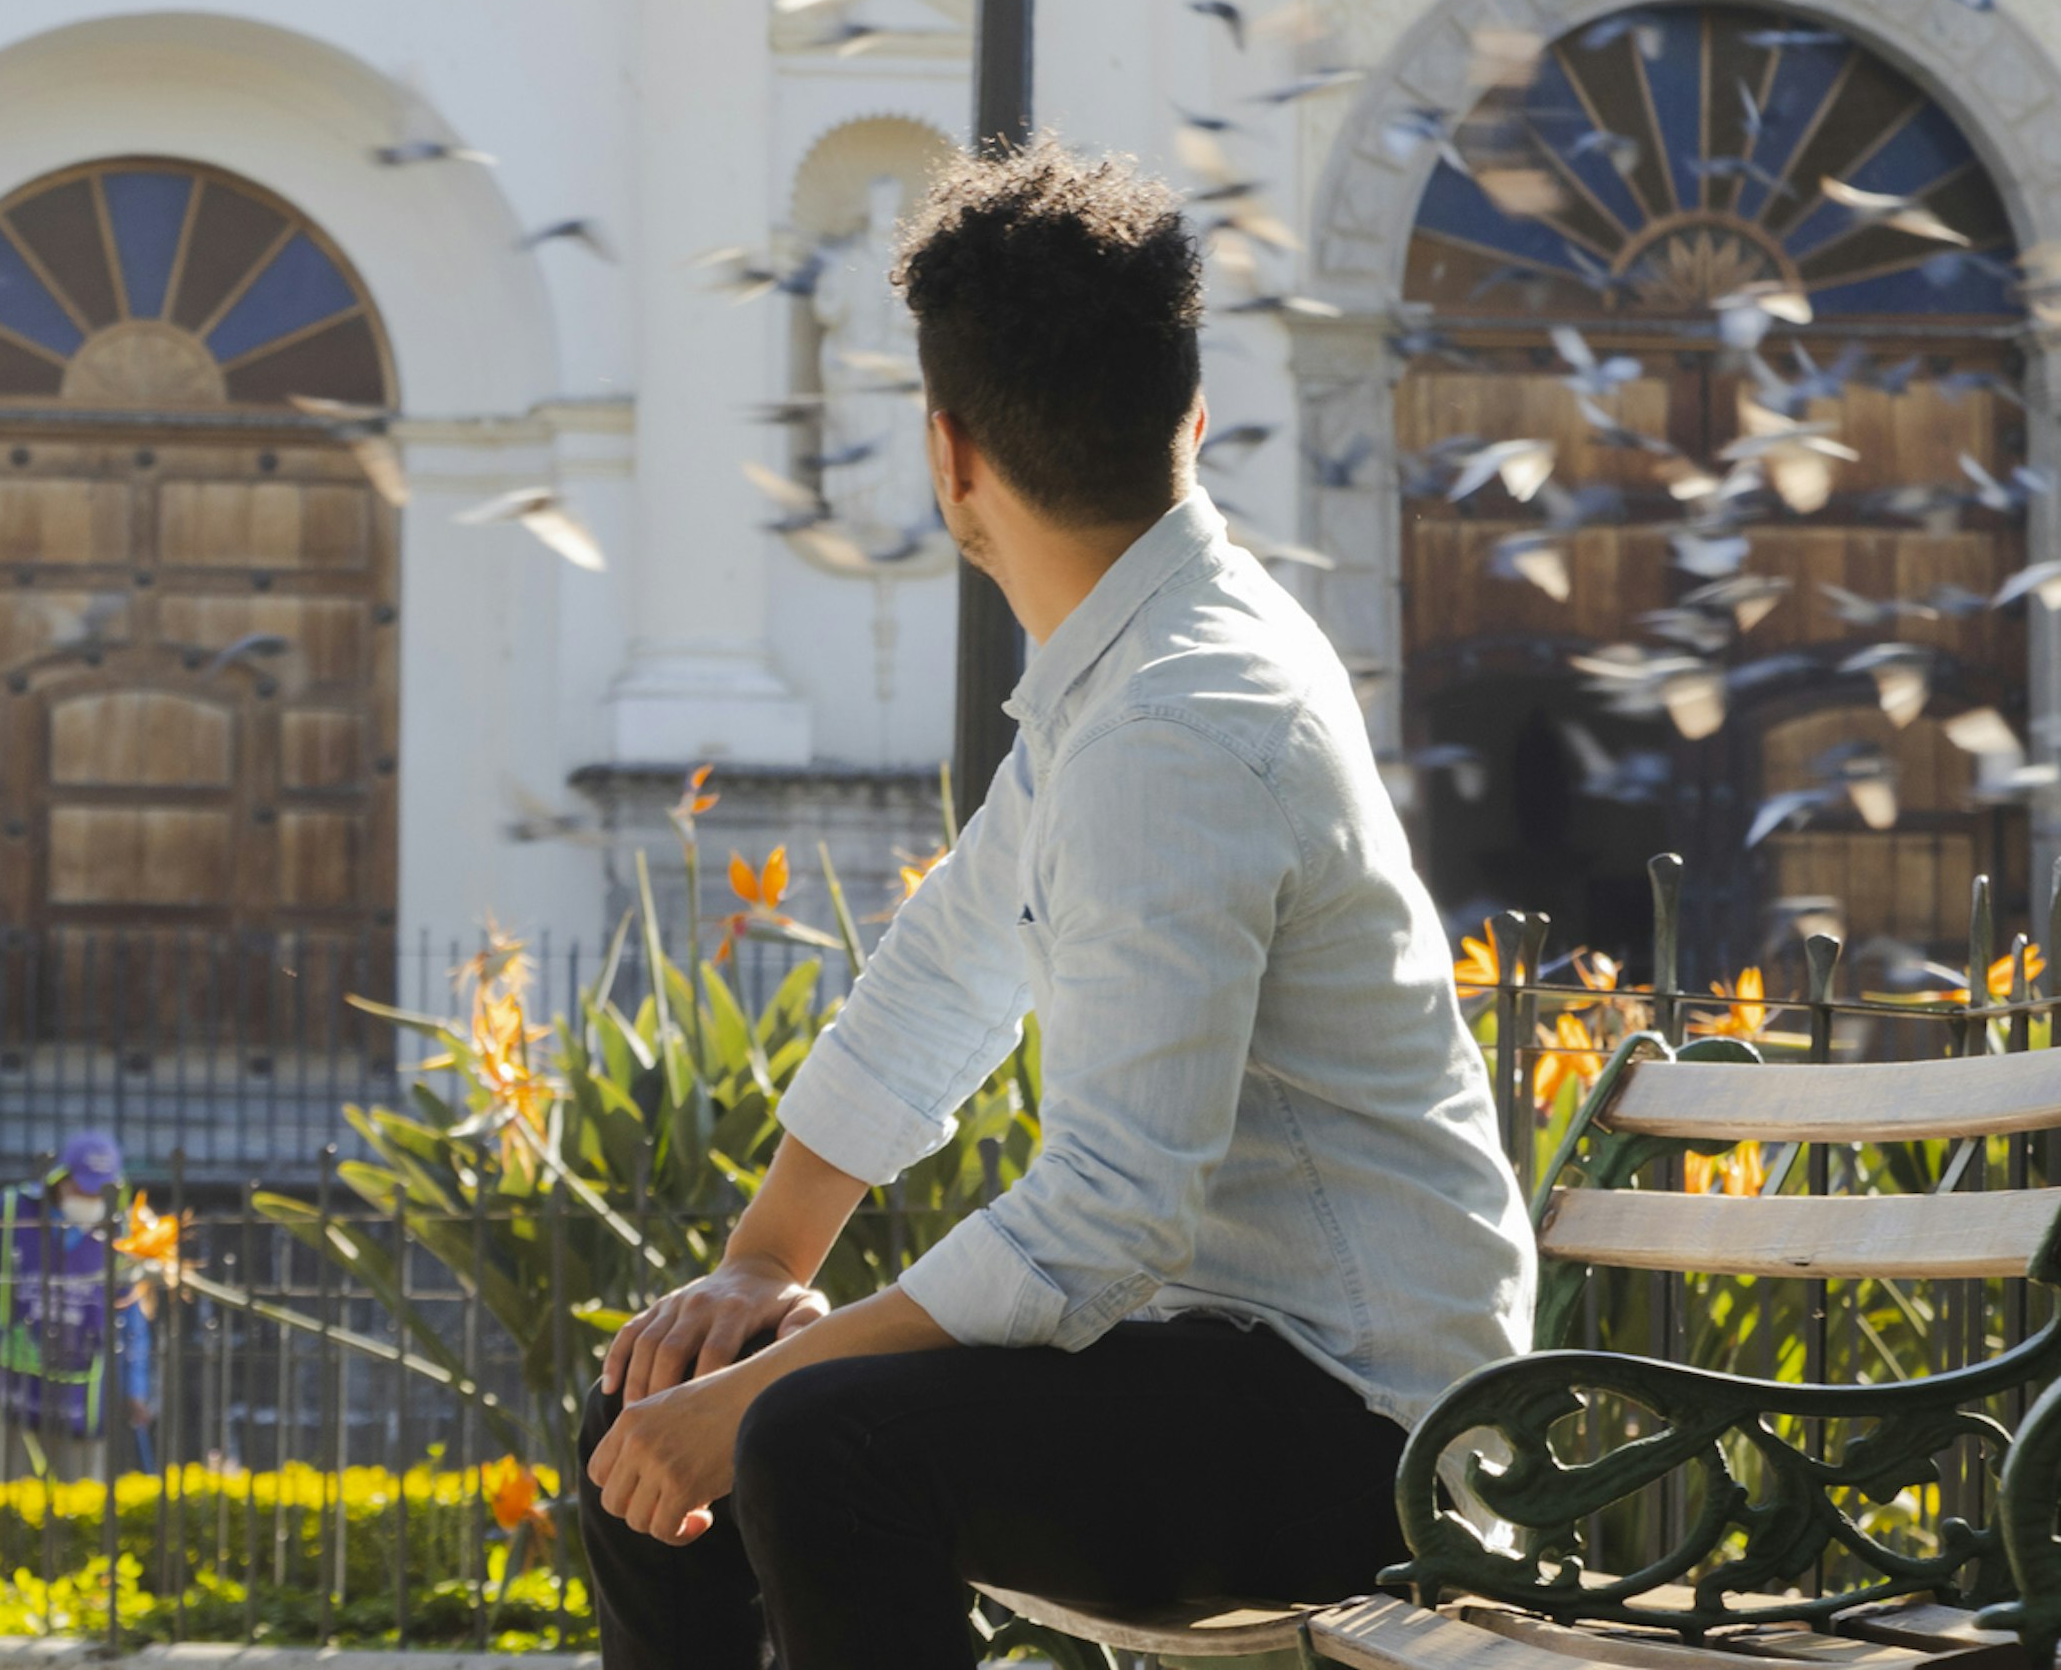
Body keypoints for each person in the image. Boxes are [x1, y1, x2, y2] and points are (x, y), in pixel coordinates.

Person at [578, 139, 1536, 1670]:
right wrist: (759, 1274)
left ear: (950, 455)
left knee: (822, 1447)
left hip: (1366, 1427)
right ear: (1193, 421)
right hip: (1216, 1368)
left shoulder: (1179, 717)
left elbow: (1106, 1219)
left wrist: (752, 1399)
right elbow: (946, 968)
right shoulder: (1137, 667)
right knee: (659, 1397)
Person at [0, 1130, 156, 1480]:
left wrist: (135, 1388)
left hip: (83, 1400)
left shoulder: (121, 1233)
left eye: (98, 1189)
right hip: (11, 1395)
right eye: (82, 1186)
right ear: (60, 1179)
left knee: (81, 1513)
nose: (89, 1196)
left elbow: (132, 1316)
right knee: (5, 1508)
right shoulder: (10, 1211)